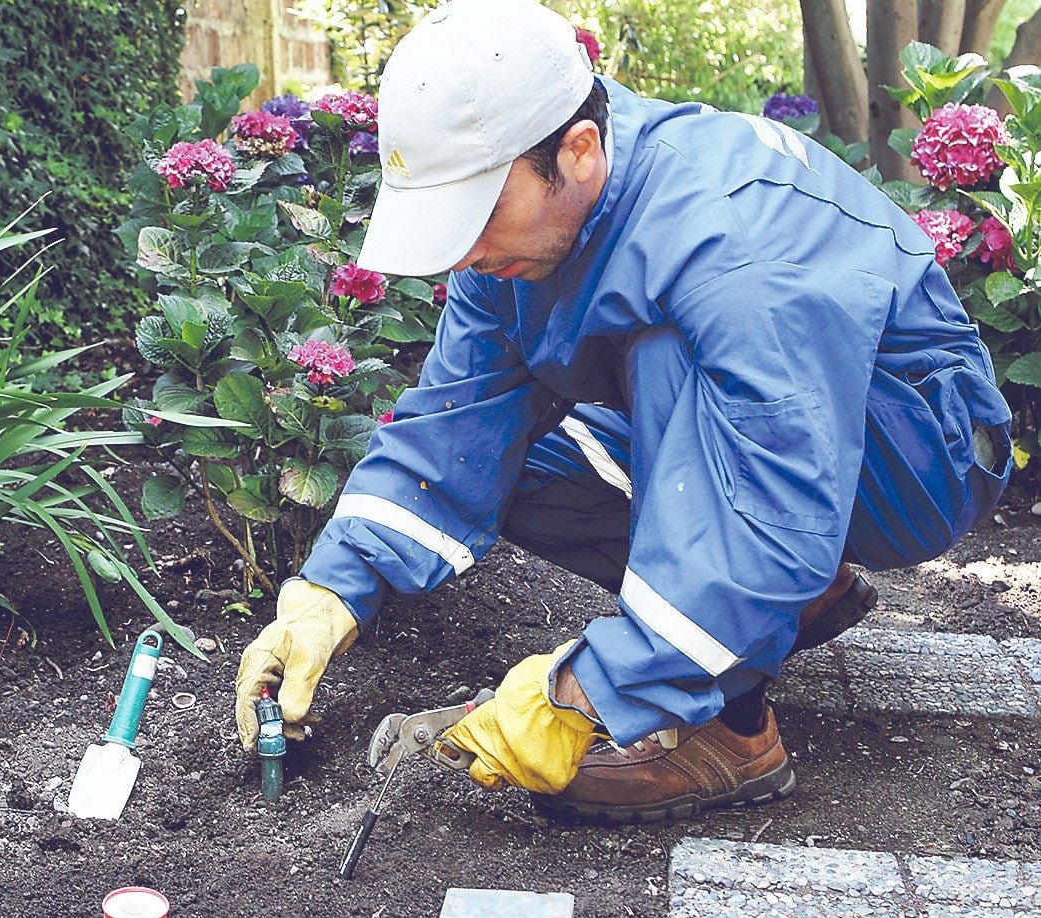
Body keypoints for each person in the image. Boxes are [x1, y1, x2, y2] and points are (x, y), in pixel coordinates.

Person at [234, 0, 1013, 823]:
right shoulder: (526, 234)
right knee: (513, 459)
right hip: (781, 434)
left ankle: (722, 724)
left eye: (476, 214)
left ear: (576, 152)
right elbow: (450, 428)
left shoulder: (722, 242)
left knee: (664, 345)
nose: (462, 251)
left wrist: (582, 693)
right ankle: (778, 603)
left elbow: (775, 485)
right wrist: (325, 595)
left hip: (913, 454)